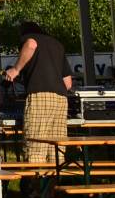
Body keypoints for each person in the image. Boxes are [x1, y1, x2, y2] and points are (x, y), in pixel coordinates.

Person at [4, 20, 72, 164]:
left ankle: (37, 177)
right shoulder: (57, 45)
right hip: (61, 99)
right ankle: (56, 177)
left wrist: (16, 69)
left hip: (40, 96)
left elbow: (31, 44)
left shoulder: (30, 38)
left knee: (36, 144)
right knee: (57, 148)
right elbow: (68, 83)